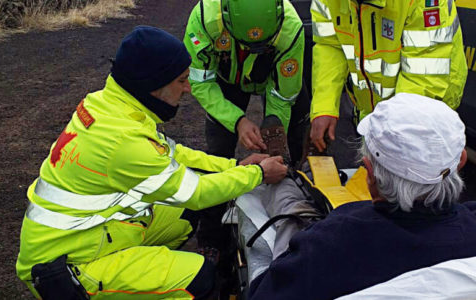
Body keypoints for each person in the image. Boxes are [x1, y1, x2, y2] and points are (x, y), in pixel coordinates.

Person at [15, 26, 289, 300]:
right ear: (154, 85)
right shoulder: (123, 140)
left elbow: (176, 155)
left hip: (85, 236)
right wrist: (258, 174)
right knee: (200, 277)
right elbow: (196, 192)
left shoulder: (111, 105)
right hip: (63, 270)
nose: (188, 89)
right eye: (181, 80)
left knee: (184, 214)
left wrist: (234, 167)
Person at [249, 93, 476, 299]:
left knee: (291, 210)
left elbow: (261, 293)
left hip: (315, 255)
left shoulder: (327, 244)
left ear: (369, 174)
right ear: (460, 162)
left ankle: (284, 172)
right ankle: (307, 167)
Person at [183, 0, 305, 266]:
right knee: (217, 153)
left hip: (270, 80)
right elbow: (201, 83)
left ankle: (296, 221)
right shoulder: (204, 21)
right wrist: (237, 121)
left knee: (289, 147)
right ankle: (211, 239)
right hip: (224, 85)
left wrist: (273, 138)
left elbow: (282, 96)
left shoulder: (291, 29)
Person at [309, 0, 468, 152]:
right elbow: (330, 45)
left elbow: (421, 82)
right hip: (374, 110)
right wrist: (324, 107)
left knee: (412, 172)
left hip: (424, 110)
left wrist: (387, 138)